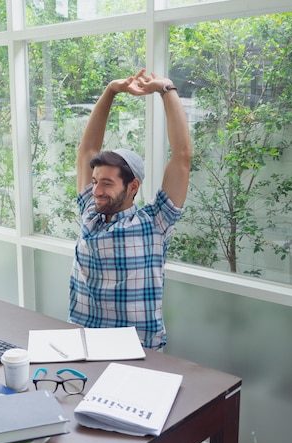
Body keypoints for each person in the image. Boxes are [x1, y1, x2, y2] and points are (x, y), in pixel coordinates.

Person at [68, 69, 192, 350]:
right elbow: (87, 149)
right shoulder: (91, 211)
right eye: (96, 181)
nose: (97, 190)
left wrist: (167, 90)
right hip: (83, 341)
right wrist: (111, 91)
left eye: (107, 183)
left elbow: (182, 156)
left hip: (137, 349)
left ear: (133, 186)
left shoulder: (155, 222)